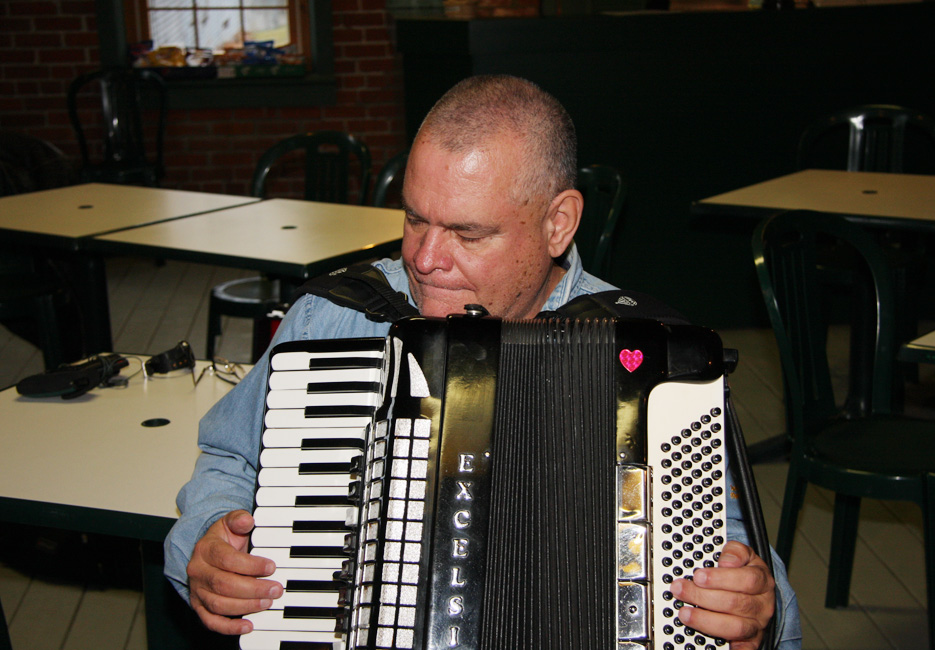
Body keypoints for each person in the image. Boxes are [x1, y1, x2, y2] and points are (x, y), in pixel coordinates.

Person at [164, 74, 801, 650]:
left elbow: (752, 581)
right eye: (415, 219)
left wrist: (753, 615)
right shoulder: (335, 320)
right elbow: (231, 455)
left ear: (559, 224)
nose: (424, 259)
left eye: (467, 234)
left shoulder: (661, 369)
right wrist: (208, 536)